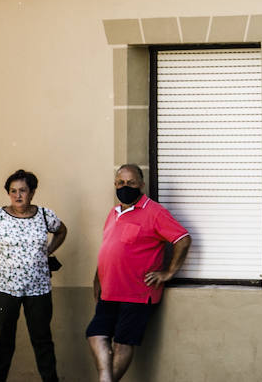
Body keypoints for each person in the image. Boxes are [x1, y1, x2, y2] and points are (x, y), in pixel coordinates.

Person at [86, 164, 191, 382]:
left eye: (131, 183)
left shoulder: (155, 212)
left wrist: (168, 272)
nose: (125, 187)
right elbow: (108, 248)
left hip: (137, 292)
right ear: (115, 185)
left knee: (123, 342)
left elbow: (182, 239)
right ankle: (106, 379)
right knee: (95, 333)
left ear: (141, 185)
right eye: (121, 183)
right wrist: (98, 278)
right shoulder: (113, 212)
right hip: (110, 290)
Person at [0, 169, 67, 382]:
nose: (18, 196)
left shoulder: (44, 215)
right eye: (13, 191)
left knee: (42, 339)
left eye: (23, 190)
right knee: (3, 339)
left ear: (32, 192)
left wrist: (48, 251)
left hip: (38, 288)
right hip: (5, 287)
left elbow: (61, 231)